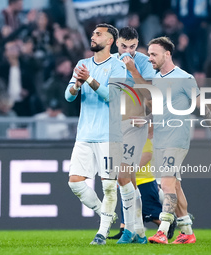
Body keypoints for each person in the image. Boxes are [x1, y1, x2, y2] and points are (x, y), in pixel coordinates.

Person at [146, 37, 211, 244]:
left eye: (153, 54)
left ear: (167, 54)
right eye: (148, 54)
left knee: (166, 184)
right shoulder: (156, 79)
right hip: (160, 140)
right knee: (175, 186)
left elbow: (203, 107)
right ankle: (187, 232)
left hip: (177, 139)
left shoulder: (184, 78)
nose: (150, 58)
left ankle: (163, 231)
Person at [65, 23, 126, 245]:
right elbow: (69, 96)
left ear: (110, 41)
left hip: (109, 135)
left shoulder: (118, 67)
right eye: (93, 33)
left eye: (98, 34)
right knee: (75, 182)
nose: (93, 36)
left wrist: (89, 80)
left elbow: (112, 96)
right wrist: (77, 85)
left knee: (109, 185)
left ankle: (101, 234)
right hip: (84, 134)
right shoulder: (82, 64)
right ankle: (106, 215)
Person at [112, 26, 155, 244]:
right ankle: (139, 231)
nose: (128, 51)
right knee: (130, 181)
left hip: (135, 125)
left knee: (122, 176)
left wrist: (134, 71)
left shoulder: (144, 62)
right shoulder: (109, 62)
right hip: (113, 126)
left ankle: (128, 230)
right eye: (123, 46)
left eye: (132, 46)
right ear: (116, 44)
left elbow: (150, 94)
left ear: (137, 44)